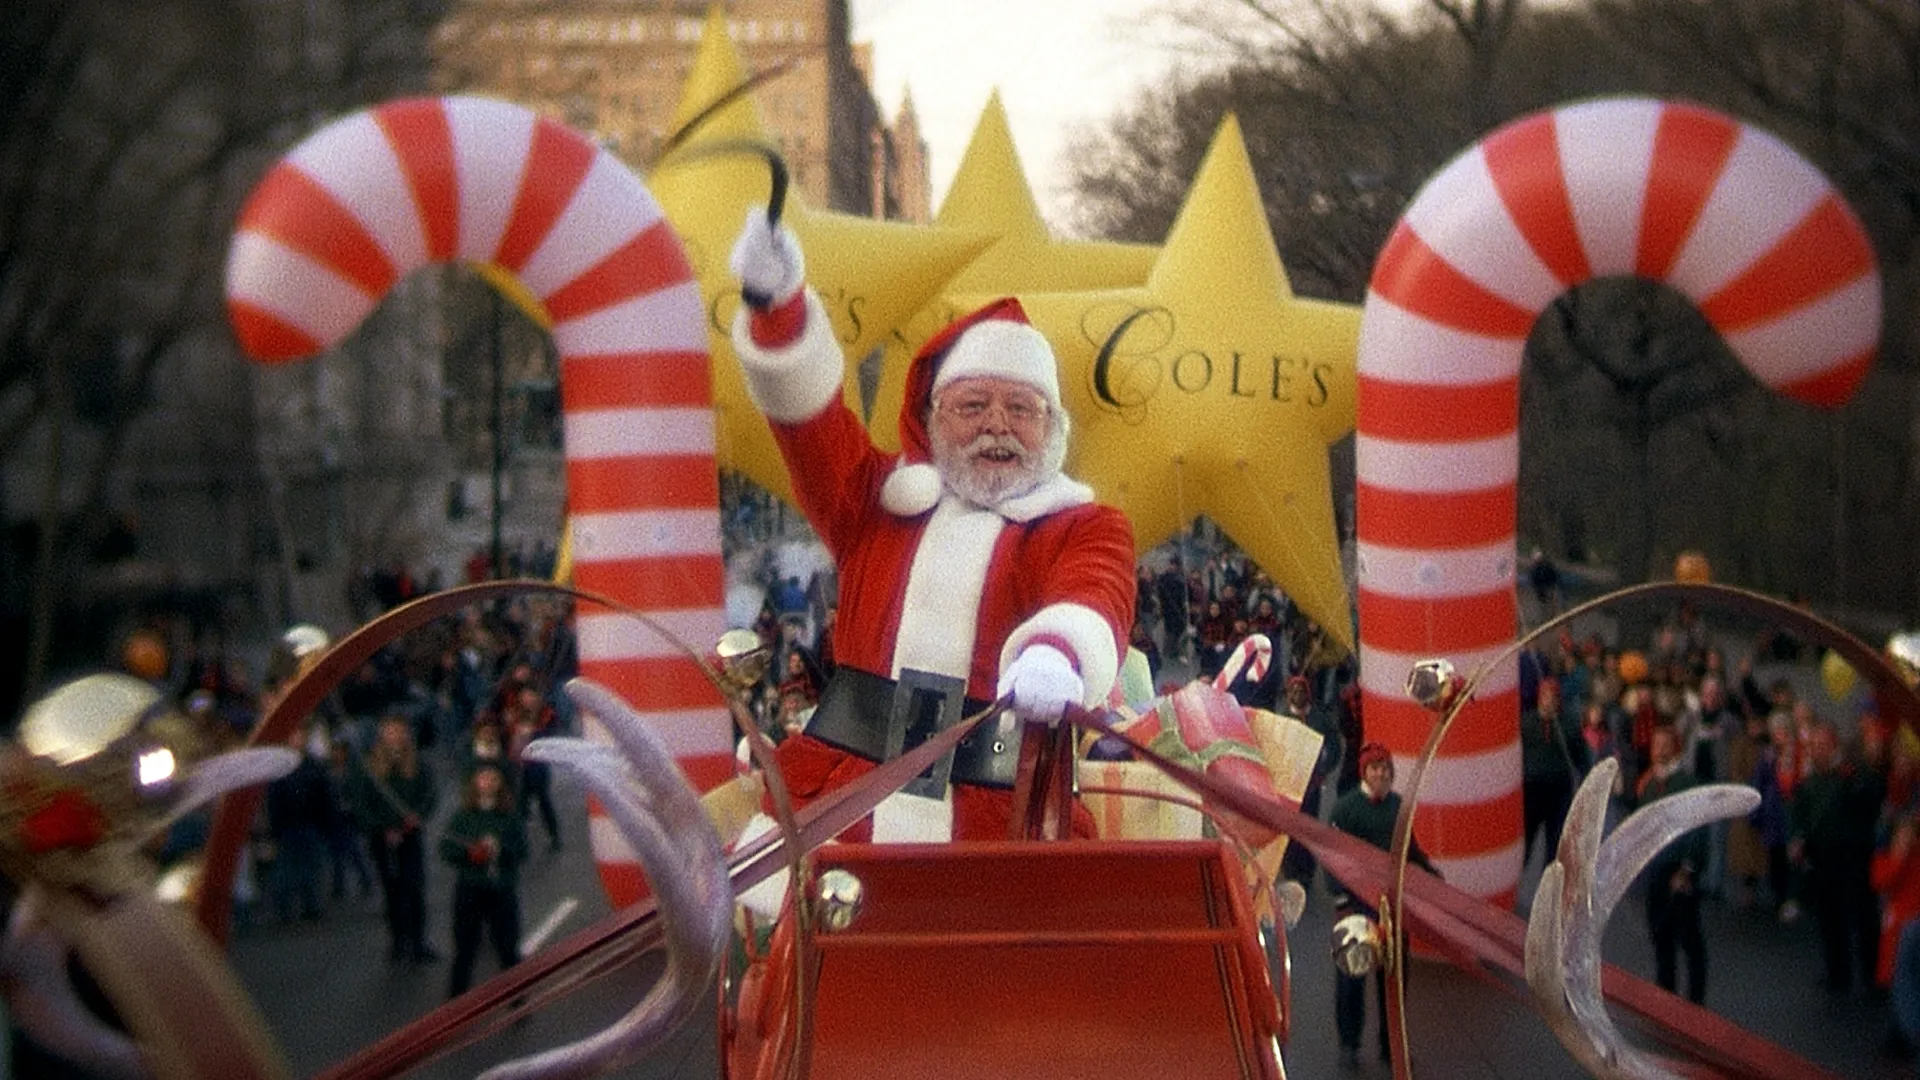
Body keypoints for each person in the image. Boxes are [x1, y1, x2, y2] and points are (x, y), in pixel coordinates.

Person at [726, 210, 1135, 842]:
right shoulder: (875, 502)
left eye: (1022, 410)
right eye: (972, 405)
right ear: (932, 418)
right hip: (842, 806)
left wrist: (1056, 650)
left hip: (994, 819)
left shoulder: (1083, 526)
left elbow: (1093, 590)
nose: (996, 425)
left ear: (1053, 431)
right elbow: (809, 422)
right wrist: (778, 308)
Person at [1329, 743, 1433, 1069]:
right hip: (1357, 907)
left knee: (1394, 980)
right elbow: (1333, 859)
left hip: (1391, 908)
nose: (1382, 774)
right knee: (1352, 978)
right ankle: (1349, 1044)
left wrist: (1432, 876)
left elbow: (1409, 852)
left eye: (1387, 769)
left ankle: (1392, 1047)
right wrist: (1341, 901)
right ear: (1364, 771)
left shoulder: (1399, 807)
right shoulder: (1344, 810)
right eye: (1376, 769)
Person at [1791, 719, 1886, 995]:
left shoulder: (1853, 775)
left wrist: (1854, 782)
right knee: (1829, 915)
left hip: (1853, 855)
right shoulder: (1810, 781)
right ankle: (1837, 972)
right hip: (1823, 856)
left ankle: (1872, 975)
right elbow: (1801, 813)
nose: (1816, 751)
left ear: (1833, 746)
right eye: (1814, 746)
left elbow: (1870, 801)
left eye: (1821, 746)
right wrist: (1800, 838)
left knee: (1863, 917)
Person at [440, 762, 528, 998]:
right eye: (483, 778)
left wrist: (499, 850)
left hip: (501, 889)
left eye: (493, 778)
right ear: (475, 783)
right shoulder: (463, 817)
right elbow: (445, 848)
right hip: (470, 889)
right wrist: (468, 854)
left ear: (500, 785)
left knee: (508, 947)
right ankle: (456, 1004)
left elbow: (522, 851)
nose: (488, 783)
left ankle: (518, 1000)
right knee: (465, 949)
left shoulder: (509, 816)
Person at [358, 713, 439, 964]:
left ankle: (418, 942)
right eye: (390, 731)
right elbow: (362, 804)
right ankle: (397, 942)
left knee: (414, 889)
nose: (394, 736)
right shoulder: (370, 765)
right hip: (383, 840)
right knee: (392, 892)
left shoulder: (417, 763)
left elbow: (430, 794)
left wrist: (418, 817)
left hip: (410, 835)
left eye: (398, 731)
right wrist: (382, 828)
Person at [1637, 725, 1707, 1003]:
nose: (1660, 750)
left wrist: (1688, 868)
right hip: (1657, 868)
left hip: (1680, 868)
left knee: (1689, 939)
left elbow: (1697, 829)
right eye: (1656, 745)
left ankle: (1695, 1002)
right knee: (1660, 935)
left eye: (1665, 745)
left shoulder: (1686, 783)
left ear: (1675, 748)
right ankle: (1666, 998)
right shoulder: (1649, 785)